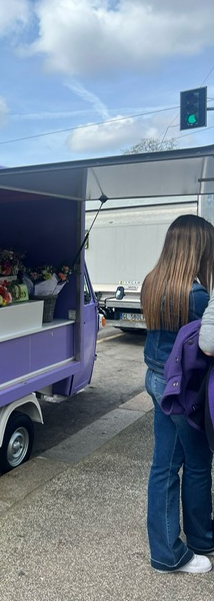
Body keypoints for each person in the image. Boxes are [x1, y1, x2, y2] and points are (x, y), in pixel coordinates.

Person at [141, 214, 214, 574]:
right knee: (198, 465)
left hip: (158, 383)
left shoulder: (152, 283)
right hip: (185, 390)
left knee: (165, 465)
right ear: (198, 250)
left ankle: (166, 550)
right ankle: (199, 540)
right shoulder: (197, 296)